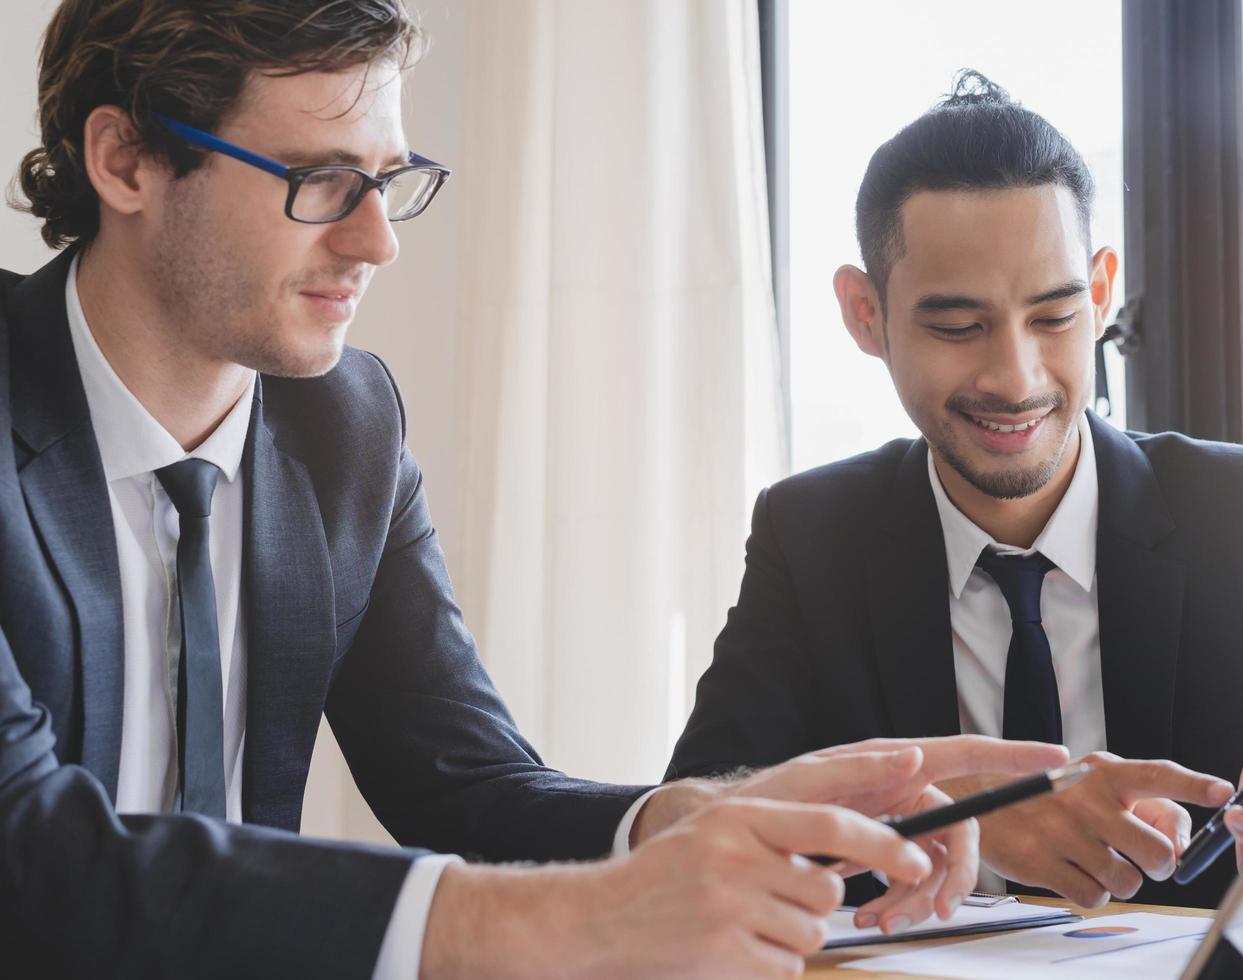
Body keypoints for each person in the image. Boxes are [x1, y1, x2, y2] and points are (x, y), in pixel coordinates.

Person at [0, 6, 1070, 977]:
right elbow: (25, 845)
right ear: (126, 159)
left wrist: (693, 817)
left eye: (387, 181)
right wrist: (571, 919)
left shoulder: (346, 426)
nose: (376, 241)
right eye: (319, 181)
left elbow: (465, 785)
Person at [667, 70, 1243, 926]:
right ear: (866, 315)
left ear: (1099, 293)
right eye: (956, 326)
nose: (1016, 379)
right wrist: (945, 808)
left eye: (1053, 317)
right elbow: (692, 829)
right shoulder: (812, 536)